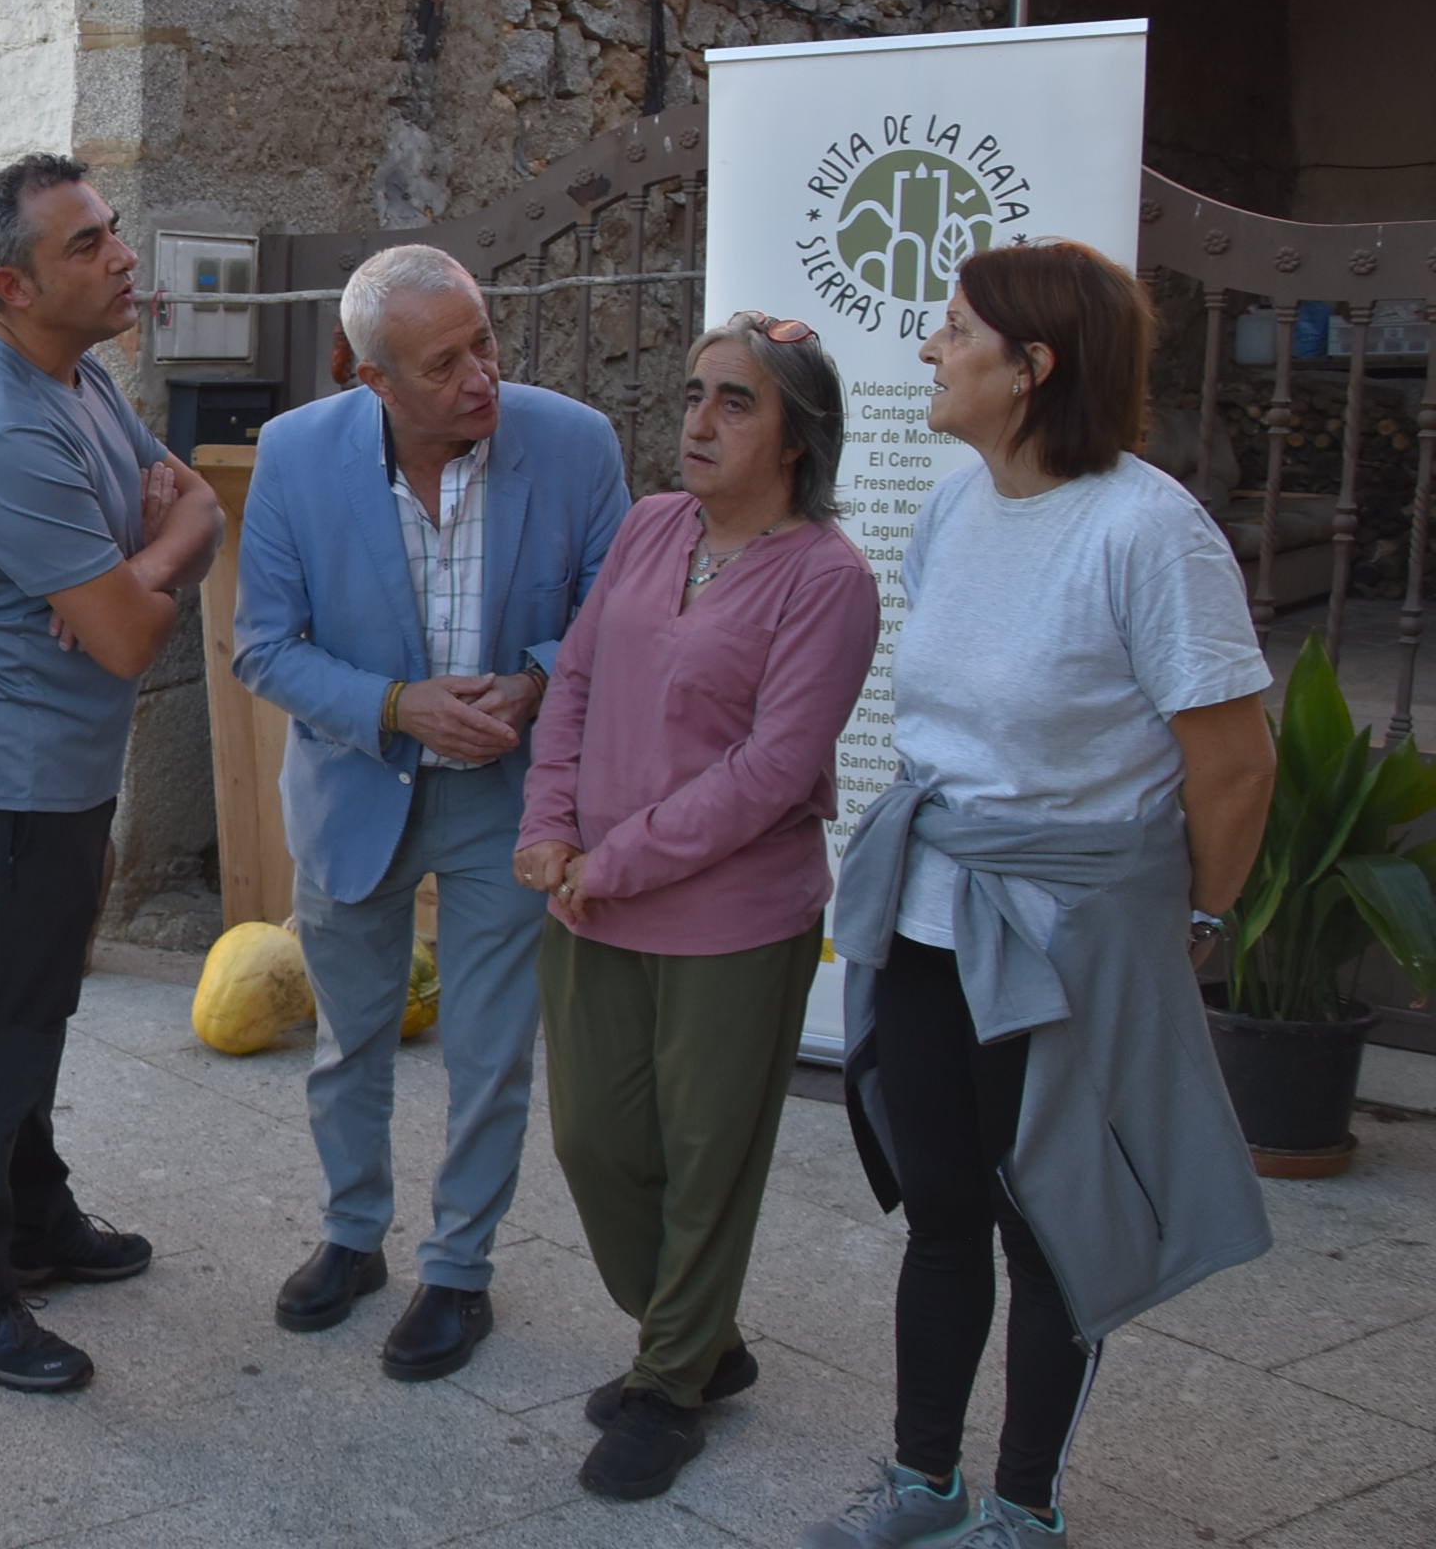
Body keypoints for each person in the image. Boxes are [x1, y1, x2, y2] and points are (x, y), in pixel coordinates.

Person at [796, 242, 1276, 1549]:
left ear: (1031, 367)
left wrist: (1193, 921)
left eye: (954, 330)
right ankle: (922, 1481)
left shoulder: (1147, 531)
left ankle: (1023, 1506)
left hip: (1064, 938)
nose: (929, 349)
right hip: (931, 915)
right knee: (942, 1203)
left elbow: (1234, 766)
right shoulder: (956, 507)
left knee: (1049, 1220)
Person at [230, 243, 626, 1381]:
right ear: (374, 379)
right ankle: (352, 1236)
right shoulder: (295, 453)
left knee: (491, 1052)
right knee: (349, 1038)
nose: (480, 378)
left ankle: (458, 1268)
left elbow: (616, 612)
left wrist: (537, 678)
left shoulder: (575, 442)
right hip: (357, 785)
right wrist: (399, 706)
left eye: (484, 344)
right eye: (444, 364)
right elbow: (263, 646)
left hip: (511, 795)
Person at [514, 313, 878, 1501]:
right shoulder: (649, 525)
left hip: (733, 917)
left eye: (735, 400)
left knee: (706, 1159)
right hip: (588, 896)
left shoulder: (827, 577)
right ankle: (704, 1340)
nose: (699, 421)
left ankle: (669, 1383)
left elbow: (773, 769)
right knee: (594, 1142)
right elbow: (574, 678)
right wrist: (548, 821)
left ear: (796, 436)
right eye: (692, 393)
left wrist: (614, 858)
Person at [0, 153, 222, 1393]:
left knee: (36, 1014)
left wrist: (143, 556)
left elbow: (197, 505)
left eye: (111, 229)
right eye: (86, 243)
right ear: (13, 285)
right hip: (10, 780)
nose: (123, 255)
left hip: (62, 770)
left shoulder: (76, 375)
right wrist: (141, 576)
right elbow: (134, 639)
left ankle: (36, 1217)